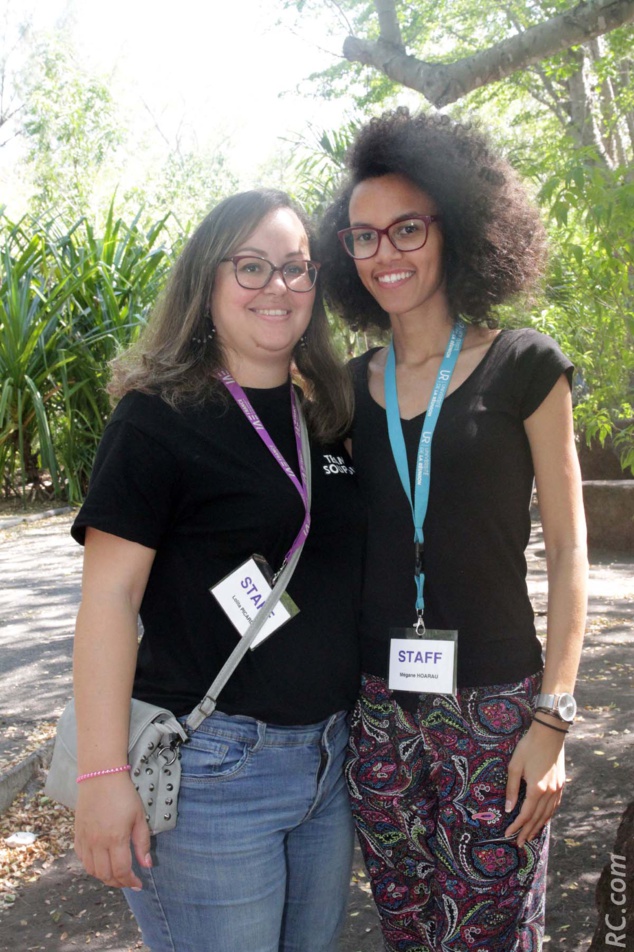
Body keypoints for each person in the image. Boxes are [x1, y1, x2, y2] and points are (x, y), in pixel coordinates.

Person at [318, 109, 588, 951]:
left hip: (499, 709)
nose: (385, 254)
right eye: (362, 237)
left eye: (406, 228)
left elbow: (573, 552)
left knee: (491, 933)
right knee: (406, 929)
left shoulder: (526, 366)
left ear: (457, 228)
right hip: (377, 711)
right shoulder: (341, 390)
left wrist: (552, 721)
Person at [70, 188, 365, 952]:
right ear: (207, 281)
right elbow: (109, 596)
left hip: (329, 763)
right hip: (212, 772)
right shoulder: (157, 417)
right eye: (252, 266)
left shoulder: (325, 415)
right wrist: (101, 777)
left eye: (297, 269)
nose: (278, 287)